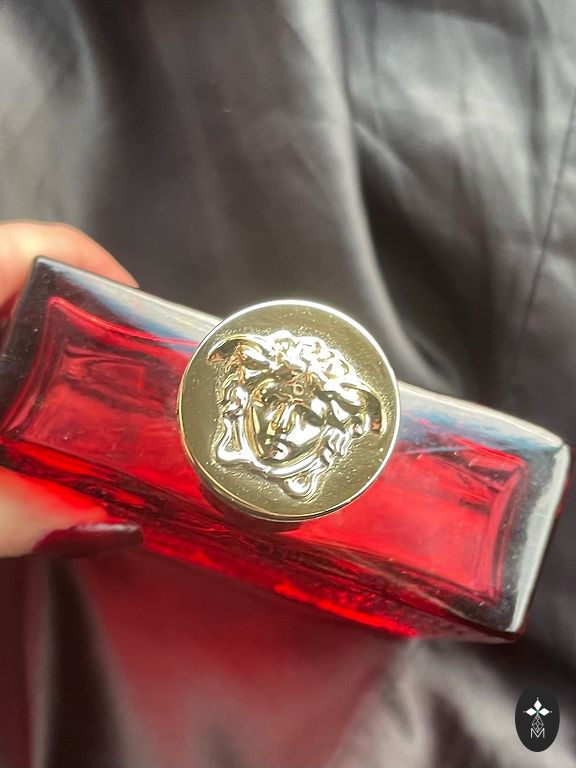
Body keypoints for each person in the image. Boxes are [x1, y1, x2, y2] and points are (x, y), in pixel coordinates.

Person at [1, 2, 575, 766]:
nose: (282, 422)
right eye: (276, 401)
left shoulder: (483, 512)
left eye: (304, 412)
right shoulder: (64, 368)